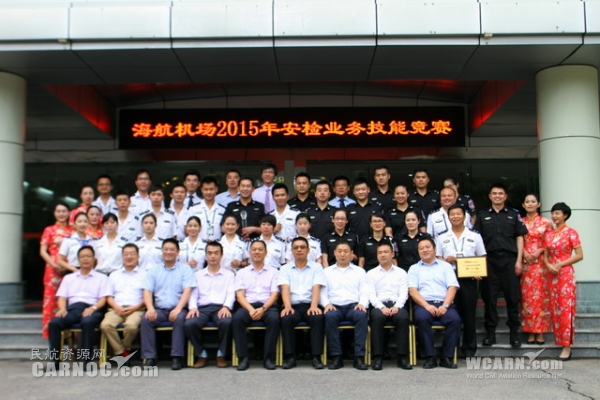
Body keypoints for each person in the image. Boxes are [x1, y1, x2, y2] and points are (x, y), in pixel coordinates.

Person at [474, 183, 528, 348]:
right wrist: (478, 265)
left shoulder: (514, 215)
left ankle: (514, 335)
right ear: (490, 196)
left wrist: (519, 261)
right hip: (489, 261)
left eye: (500, 193)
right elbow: (476, 241)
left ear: (505, 196)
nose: (497, 196)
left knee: (513, 298)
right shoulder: (482, 216)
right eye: (494, 193)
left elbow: (520, 237)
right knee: (489, 299)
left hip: (509, 261)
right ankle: (490, 334)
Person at [435, 204, 486, 357]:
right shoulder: (442, 237)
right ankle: (453, 348)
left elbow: (482, 256)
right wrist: (447, 260)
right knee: (452, 314)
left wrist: (478, 272)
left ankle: (469, 348)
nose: (455, 217)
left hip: (468, 279)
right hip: (448, 280)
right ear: (448, 217)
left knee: (469, 315)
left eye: (458, 214)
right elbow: (437, 259)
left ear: (464, 217)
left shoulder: (474, 236)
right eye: (452, 214)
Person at [48, 246, 110, 369]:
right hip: (72, 310)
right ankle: (55, 361)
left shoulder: (102, 278)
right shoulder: (69, 278)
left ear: (94, 259)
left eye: (88, 256)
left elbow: (103, 299)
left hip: (92, 309)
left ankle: (87, 361)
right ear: (78, 260)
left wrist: (93, 308)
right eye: (82, 256)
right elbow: (62, 297)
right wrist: (62, 308)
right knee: (54, 323)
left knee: (88, 322)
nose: (85, 259)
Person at [141, 238, 196, 370]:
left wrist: (178, 309)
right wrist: (150, 308)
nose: (168, 252)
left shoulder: (185, 269)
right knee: (146, 319)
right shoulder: (154, 270)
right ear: (162, 251)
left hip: (179, 308)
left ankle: (177, 357)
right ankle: (149, 357)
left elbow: (187, 291)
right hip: (160, 310)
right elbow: (147, 291)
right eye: (166, 249)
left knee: (180, 318)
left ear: (178, 252)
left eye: (172, 249)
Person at [408, 237, 461, 369]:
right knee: (422, 319)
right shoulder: (414, 268)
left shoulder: (446, 266)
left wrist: (445, 306)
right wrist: (426, 306)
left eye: (427, 247)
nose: (424, 250)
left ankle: (446, 357)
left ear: (435, 249)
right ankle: (430, 357)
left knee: (455, 320)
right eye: (421, 248)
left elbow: (452, 287)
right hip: (424, 304)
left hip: (445, 303)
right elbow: (413, 291)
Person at [543, 202, 583, 361]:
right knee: (554, 309)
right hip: (551, 274)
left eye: (557, 213)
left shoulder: (571, 233)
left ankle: (567, 346)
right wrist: (548, 265)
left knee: (566, 308)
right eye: (553, 213)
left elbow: (579, 255)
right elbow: (545, 254)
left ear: (565, 215)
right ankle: (559, 341)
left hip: (565, 274)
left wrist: (560, 264)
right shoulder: (549, 234)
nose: (554, 216)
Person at [185, 241, 235, 368]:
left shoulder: (229, 275)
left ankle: (221, 354)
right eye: (210, 253)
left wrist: (226, 307)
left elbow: (231, 294)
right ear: (206, 255)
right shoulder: (197, 275)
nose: (213, 256)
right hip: (202, 309)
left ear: (221, 255)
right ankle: (202, 354)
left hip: (220, 308)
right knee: (190, 323)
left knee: (226, 322)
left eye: (216, 253)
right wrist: (193, 308)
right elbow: (193, 294)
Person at [279, 237, 326, 370]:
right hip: (292, 305)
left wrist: (314, 306)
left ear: (308, 250)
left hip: (309, 305)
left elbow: (316, 287)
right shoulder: (285, 268)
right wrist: (287, 306)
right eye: (296, 248)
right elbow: (284, 288)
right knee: (286, 317)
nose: (299, 250)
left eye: (302, 247)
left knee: (317, 317)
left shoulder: (317, 267)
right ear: (291, 251)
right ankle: (290, 357)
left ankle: (316, 356)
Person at [320, 241, 369, 370]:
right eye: (339, 251)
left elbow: (365, 291)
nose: (342, 254)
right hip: (334, 306)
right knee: (330, 317)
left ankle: (359, 357)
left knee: (361, 315)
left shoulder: (359, 271)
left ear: (352, 254)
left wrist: (362, 304)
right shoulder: (326, 272)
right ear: (334, 253)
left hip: (353, 306)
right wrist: (327, 304)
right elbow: (322, 293)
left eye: (346, 251)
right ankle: (336, 356)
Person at [232, 240, 280, 371]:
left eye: (260, 249)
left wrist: (263, 309)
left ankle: (268, 358)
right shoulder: (242, 272)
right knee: (237, 319)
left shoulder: (274, 272)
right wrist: (251, 309)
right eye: (254, 249)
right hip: (248, 306)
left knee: (274, 319)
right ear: (250, 252)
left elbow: (275, 294)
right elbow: (240, 295)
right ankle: (243, 358)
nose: (257, 252)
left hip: (267, 306)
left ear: (266, 252)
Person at [367, 242, 412, 370]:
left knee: (403, 318)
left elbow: (404, 293)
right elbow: (371, 294)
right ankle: (378, 357)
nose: (383, 255)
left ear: (392, 254)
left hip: (397, 305)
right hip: (379, 306)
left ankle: (402, 357)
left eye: (386, 252)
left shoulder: (401, 273)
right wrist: (381, 307)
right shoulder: (371, 273)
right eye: (380, 253)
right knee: (377, 318)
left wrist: (397, 306)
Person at [100, 244, 146, 361]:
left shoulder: (145, 274)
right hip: (116, 309)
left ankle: (125, 349)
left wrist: (135, 308)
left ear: (138, 256)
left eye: (132, 254)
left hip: (137, 309)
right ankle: (122, 352)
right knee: (105, 325)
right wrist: (116, 307)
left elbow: (147, 297)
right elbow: (108, 296)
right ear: (122, 257)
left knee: (131, 326)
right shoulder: (114, 275)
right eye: (126, 254)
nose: (129, 257)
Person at [520, 194, 552, 345]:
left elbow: (551, 242)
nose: (530, 204)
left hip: (541, 264)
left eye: (533, 201)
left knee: (540, 298)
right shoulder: (520, 221)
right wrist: (524, 252)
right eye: (527, 202)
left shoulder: (546, 222)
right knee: (527, 298)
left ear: (539, 204)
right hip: (525, 263)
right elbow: (516, 240)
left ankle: (540, 331)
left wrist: (539, 251)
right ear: (523, 205)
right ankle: (530, 331)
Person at [39, 202, 73, 339]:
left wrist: (67, 266)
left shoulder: (73, 230)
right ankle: (51, 335)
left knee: (70, 300)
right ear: (54, 213)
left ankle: (70, 335)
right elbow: (43, 251)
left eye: (64, 211)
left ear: (69, 213)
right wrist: (54, 265)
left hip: (70, 268)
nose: (61, 214)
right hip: (52, 269)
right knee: (51, 301)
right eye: (58, 211)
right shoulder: (49, 230)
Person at [187, 176, 226, 241]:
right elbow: (187, 229)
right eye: (206, 189)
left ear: (216, 189)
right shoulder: (193, 209)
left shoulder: (223, 209)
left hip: (217, 244)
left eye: (211, 189)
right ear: (201, 190)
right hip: (199, 243)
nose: (208, 192)